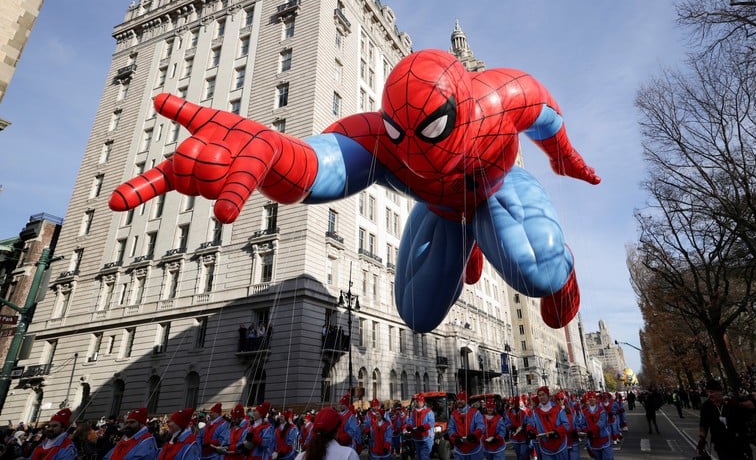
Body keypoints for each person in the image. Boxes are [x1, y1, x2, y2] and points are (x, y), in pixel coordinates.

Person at [110, 49, 601, 335]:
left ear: (466, 108)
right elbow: (318, 163)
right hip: (445, 212)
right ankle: (470, 244)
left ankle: (565, 277)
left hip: (496, 189)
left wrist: (565, 159)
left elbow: (547, 117)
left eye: (429, 131)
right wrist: (269, 153)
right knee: (418, 314)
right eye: (399, 134)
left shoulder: (502, 95)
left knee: (537, 269)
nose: (415, 152)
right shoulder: (380, 141)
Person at [696, 380, 750, 460]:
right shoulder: (706, 406)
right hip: (720, 443)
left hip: (737, 441)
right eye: (708, 392)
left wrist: (738, 405)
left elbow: (745, 415)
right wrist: (702, 440)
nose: (709, 395)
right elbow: (703, 424)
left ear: (720, 392)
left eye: (712, 392)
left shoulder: (730, 402)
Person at [525, 387, 569, 460]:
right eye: (539, 395)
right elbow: (530, 424)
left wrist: (556, 432)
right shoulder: (535, 412)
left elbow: (566, 424)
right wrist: (530, 431)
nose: (541, 397)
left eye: (543, 394)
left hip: (560, 444)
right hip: (545, 447)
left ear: (548, 395)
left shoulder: (558, 409)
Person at [575, 391, 612, 460]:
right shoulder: (584, 412)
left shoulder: (601, 410)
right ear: (588, 400)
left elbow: (601, 423)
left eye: (593, 397)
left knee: (608, 458)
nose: (592, 399)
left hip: (603, 438)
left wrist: (591, 430)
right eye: (590, 398)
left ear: (596, 399)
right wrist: (582, 431)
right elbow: (582, 424)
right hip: (593, 440)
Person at [448, 392, 484, 460]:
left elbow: (481, 426)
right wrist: (455, 439)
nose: (459, 401)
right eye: (458, 399)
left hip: (474, 448)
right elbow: (450, 429)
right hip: (459, 449)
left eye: (462, 399)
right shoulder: (453, 414)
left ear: (466, 400)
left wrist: (474, 435)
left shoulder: (475, 412)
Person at [405, 394, 434, 460]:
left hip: (426, 437)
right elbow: (410, 421)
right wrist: (409, 426)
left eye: (420, 401)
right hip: (416, 437)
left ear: (423, 402)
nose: (419, 403)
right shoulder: (413, 412)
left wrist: (424, 427)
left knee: (424, 455)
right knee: (419, 455)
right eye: (417, 401)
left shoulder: (428, 411)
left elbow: (431, 422)